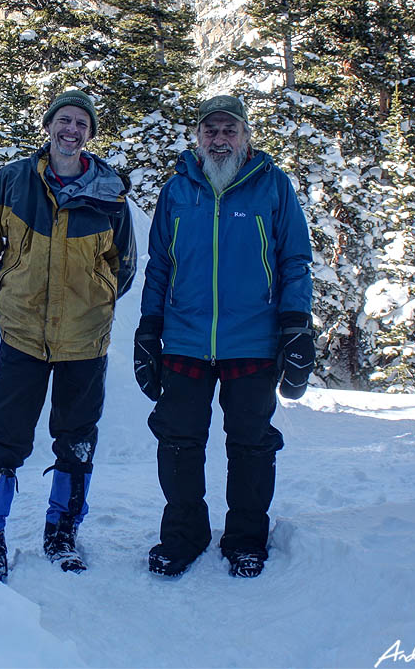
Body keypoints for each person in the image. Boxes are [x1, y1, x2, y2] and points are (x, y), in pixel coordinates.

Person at [134, 94, 314, 579]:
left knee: (252, 443)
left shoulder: (272, 186)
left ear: (245, 136)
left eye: (228, 130)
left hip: (253, 341)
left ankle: (246, 538)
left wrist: (296, 326)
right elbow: (160, 266)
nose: (219, 139)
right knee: (177, 440)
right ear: (197, 138)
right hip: (186, 339)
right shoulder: (177, 190)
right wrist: (149, 330)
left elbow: (294, 260)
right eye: (210, 130)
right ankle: (184, 534)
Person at [0, 89, 137, 579]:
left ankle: (62, 532)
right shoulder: (14, 181)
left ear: (89, 134)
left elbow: (125, 265)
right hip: (22, 337)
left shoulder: (108, 192)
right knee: (4, 440)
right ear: (49, 126)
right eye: (64, 119)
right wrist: (7, 297)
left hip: (84, 340)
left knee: (76, 439)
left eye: (82, 122)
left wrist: (97, 300)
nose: (71, 129)